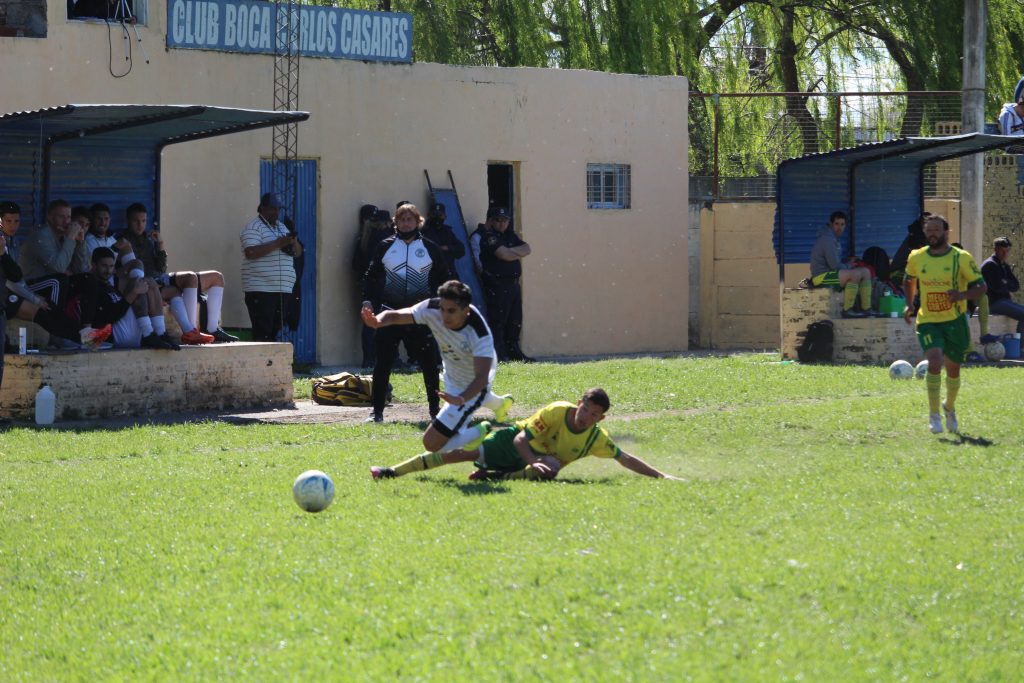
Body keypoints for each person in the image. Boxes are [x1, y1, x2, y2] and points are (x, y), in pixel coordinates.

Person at [370, 388, 682, 482]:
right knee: (458, 455)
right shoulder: (557, 411)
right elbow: (520, 440)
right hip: (511, 443)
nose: (587, 417)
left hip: (530, 464)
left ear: (602, 418)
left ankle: (498, 477)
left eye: (594, 415)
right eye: (585, 409)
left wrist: (662, 476)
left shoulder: (595, 438)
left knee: (553, 467)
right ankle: (391, 472)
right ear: (579, 403)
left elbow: (625, 459)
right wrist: (533, 462)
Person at [362, 279, 514, 454]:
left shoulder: (479, 333)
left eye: (451, 311)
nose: (444, 316)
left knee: (433, 443)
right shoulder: (432, 308)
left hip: (474, 384)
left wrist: (461, 399)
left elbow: (481, 378)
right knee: (438, 439)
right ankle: (501, 404)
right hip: (452, 375)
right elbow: (394, 316)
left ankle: (479, 433)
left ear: (466, 311)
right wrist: (377, 321)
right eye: (442, 309)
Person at [361, 202, 451, 422]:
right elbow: (371, 276)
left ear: (418, 221)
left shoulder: (430, 247)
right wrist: (368, 301)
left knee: (429, 363)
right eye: (401, 219)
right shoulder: (385, 245)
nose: (405, 223)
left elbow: (444, 277)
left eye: (410, 219)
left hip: (420, 314)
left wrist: (442, 305)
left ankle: (434, 410)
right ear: (396, 222)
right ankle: (377, 412)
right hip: (389, 312)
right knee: (382, 363)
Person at [903, 214, 987, 434]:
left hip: (955, 321)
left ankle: (949, 407)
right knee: (934, 360)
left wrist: (961, 295)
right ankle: (933, 415)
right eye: (929, 229)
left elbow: (981, 287)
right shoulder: (917, 257)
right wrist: (909, 304)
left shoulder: (961, 258)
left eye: (937, 230)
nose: (932, 233)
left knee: (953, 369)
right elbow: (909, 279)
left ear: (946, 232)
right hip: (928, 321)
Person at [122, 202, 235, 344]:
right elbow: (134, 273)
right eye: (136, 221)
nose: (140, 225)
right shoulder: (123, 242)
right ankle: (190, 331)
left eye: (143, 221)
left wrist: (160, 245)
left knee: (205, 277)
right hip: (148, 284)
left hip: (160, 279)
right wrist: (155, 294)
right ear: (128, 221)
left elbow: (161, 269)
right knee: (174, 290)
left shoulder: (148, 239)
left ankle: (210, 329)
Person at [0, 201, 86, 346]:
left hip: (9, 291)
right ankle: (81, 338)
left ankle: (83, 337)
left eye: (17, 221)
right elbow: (11, 280)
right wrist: (34, 299)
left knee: (45, 311)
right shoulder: (6, 241)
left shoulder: (13, 241)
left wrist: (34, 298)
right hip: (7, 292)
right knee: (43, 308)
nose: (13, 225)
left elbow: (15, 277)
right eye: (8, 221)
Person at [68, 247, 178, 350]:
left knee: (150, 282)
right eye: (104, 266)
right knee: (137, 284)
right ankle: (148, 334)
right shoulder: (92, 286)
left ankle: (161, 333)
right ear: (94, 265)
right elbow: (110, 316)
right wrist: (134, 292)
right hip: (114, 335)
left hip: (130, 331)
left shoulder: (109, 285)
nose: (108, 270)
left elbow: (136, 264)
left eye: (111, 266)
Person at [240, 193, 303, 342]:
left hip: (282, 290)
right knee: (263, 333)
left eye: (277, 209)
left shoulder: (282, 227)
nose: (275, 212)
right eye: (271, 209)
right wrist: (277, 244)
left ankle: (270, 364)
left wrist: (293, 242)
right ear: (262, 208)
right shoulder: (253, 228)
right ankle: (261, 364)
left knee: (274, 332)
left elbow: (298, 253)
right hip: (261, 290)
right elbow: (251, 252)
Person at [479, 206, 534, 361]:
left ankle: (514, 351)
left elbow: (528, 249)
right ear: (490, 221)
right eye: (499, 220)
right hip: (498, 284)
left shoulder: (510, 236)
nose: (502, 224)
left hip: (513, 284)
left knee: (514, 320)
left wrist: (511, 252)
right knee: (499, 321)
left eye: (505, 220)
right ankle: (499, 354)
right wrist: (514, 253)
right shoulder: (489, 236)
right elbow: (503, 254)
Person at [809, 210, 874, 318]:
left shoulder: (833, 239)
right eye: (836, 224)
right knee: (855, 274)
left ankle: (867, 308)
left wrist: (849, 264)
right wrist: (849, 266)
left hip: (831, 274)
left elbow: (836, 264)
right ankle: (847, 310)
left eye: (842, 224)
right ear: (831, 224)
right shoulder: (827, 240)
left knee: (866, 272)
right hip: (821, 277)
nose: (839, 227)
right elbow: (834, 265)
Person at [351, 205, 393, 368]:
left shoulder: (364, 238)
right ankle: (386, 358)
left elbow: (356, 264)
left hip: (368, 284)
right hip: (383, 284)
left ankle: (369, 359)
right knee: (386, 322)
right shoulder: (385, 239)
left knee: (369, 323)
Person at [17, 199, 90, 280]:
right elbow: (58, 268)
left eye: (68, 217)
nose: (66, 221)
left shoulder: (67, 236)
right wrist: (70, 239)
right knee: (62, 279)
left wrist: (80, 243)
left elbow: (80, 270)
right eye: (61, 217)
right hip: (31, 284)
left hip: (53, 282)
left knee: (88, 278)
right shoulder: (41, 235)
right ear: (50, 218)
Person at [979, 236, 1023, 335]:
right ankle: (1021, 347)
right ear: (995, 250)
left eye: (1007, 251)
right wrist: (1006, 283)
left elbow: (1016, 286)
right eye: (1002, 251)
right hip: (993, 303)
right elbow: (997, 287)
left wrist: (1005, 282)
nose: (1005, 254)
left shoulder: (1004, 266)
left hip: (1004, 301)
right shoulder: (990, 265)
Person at [421, 203, 465, 276]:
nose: (437, 218)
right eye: (434, 215)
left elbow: (461, 249)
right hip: (432, 275)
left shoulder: (447, 231)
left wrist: (448, 248)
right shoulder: (424, 232)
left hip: (449, 272)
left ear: (445, 217)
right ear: (429, 216)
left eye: (440, 215)